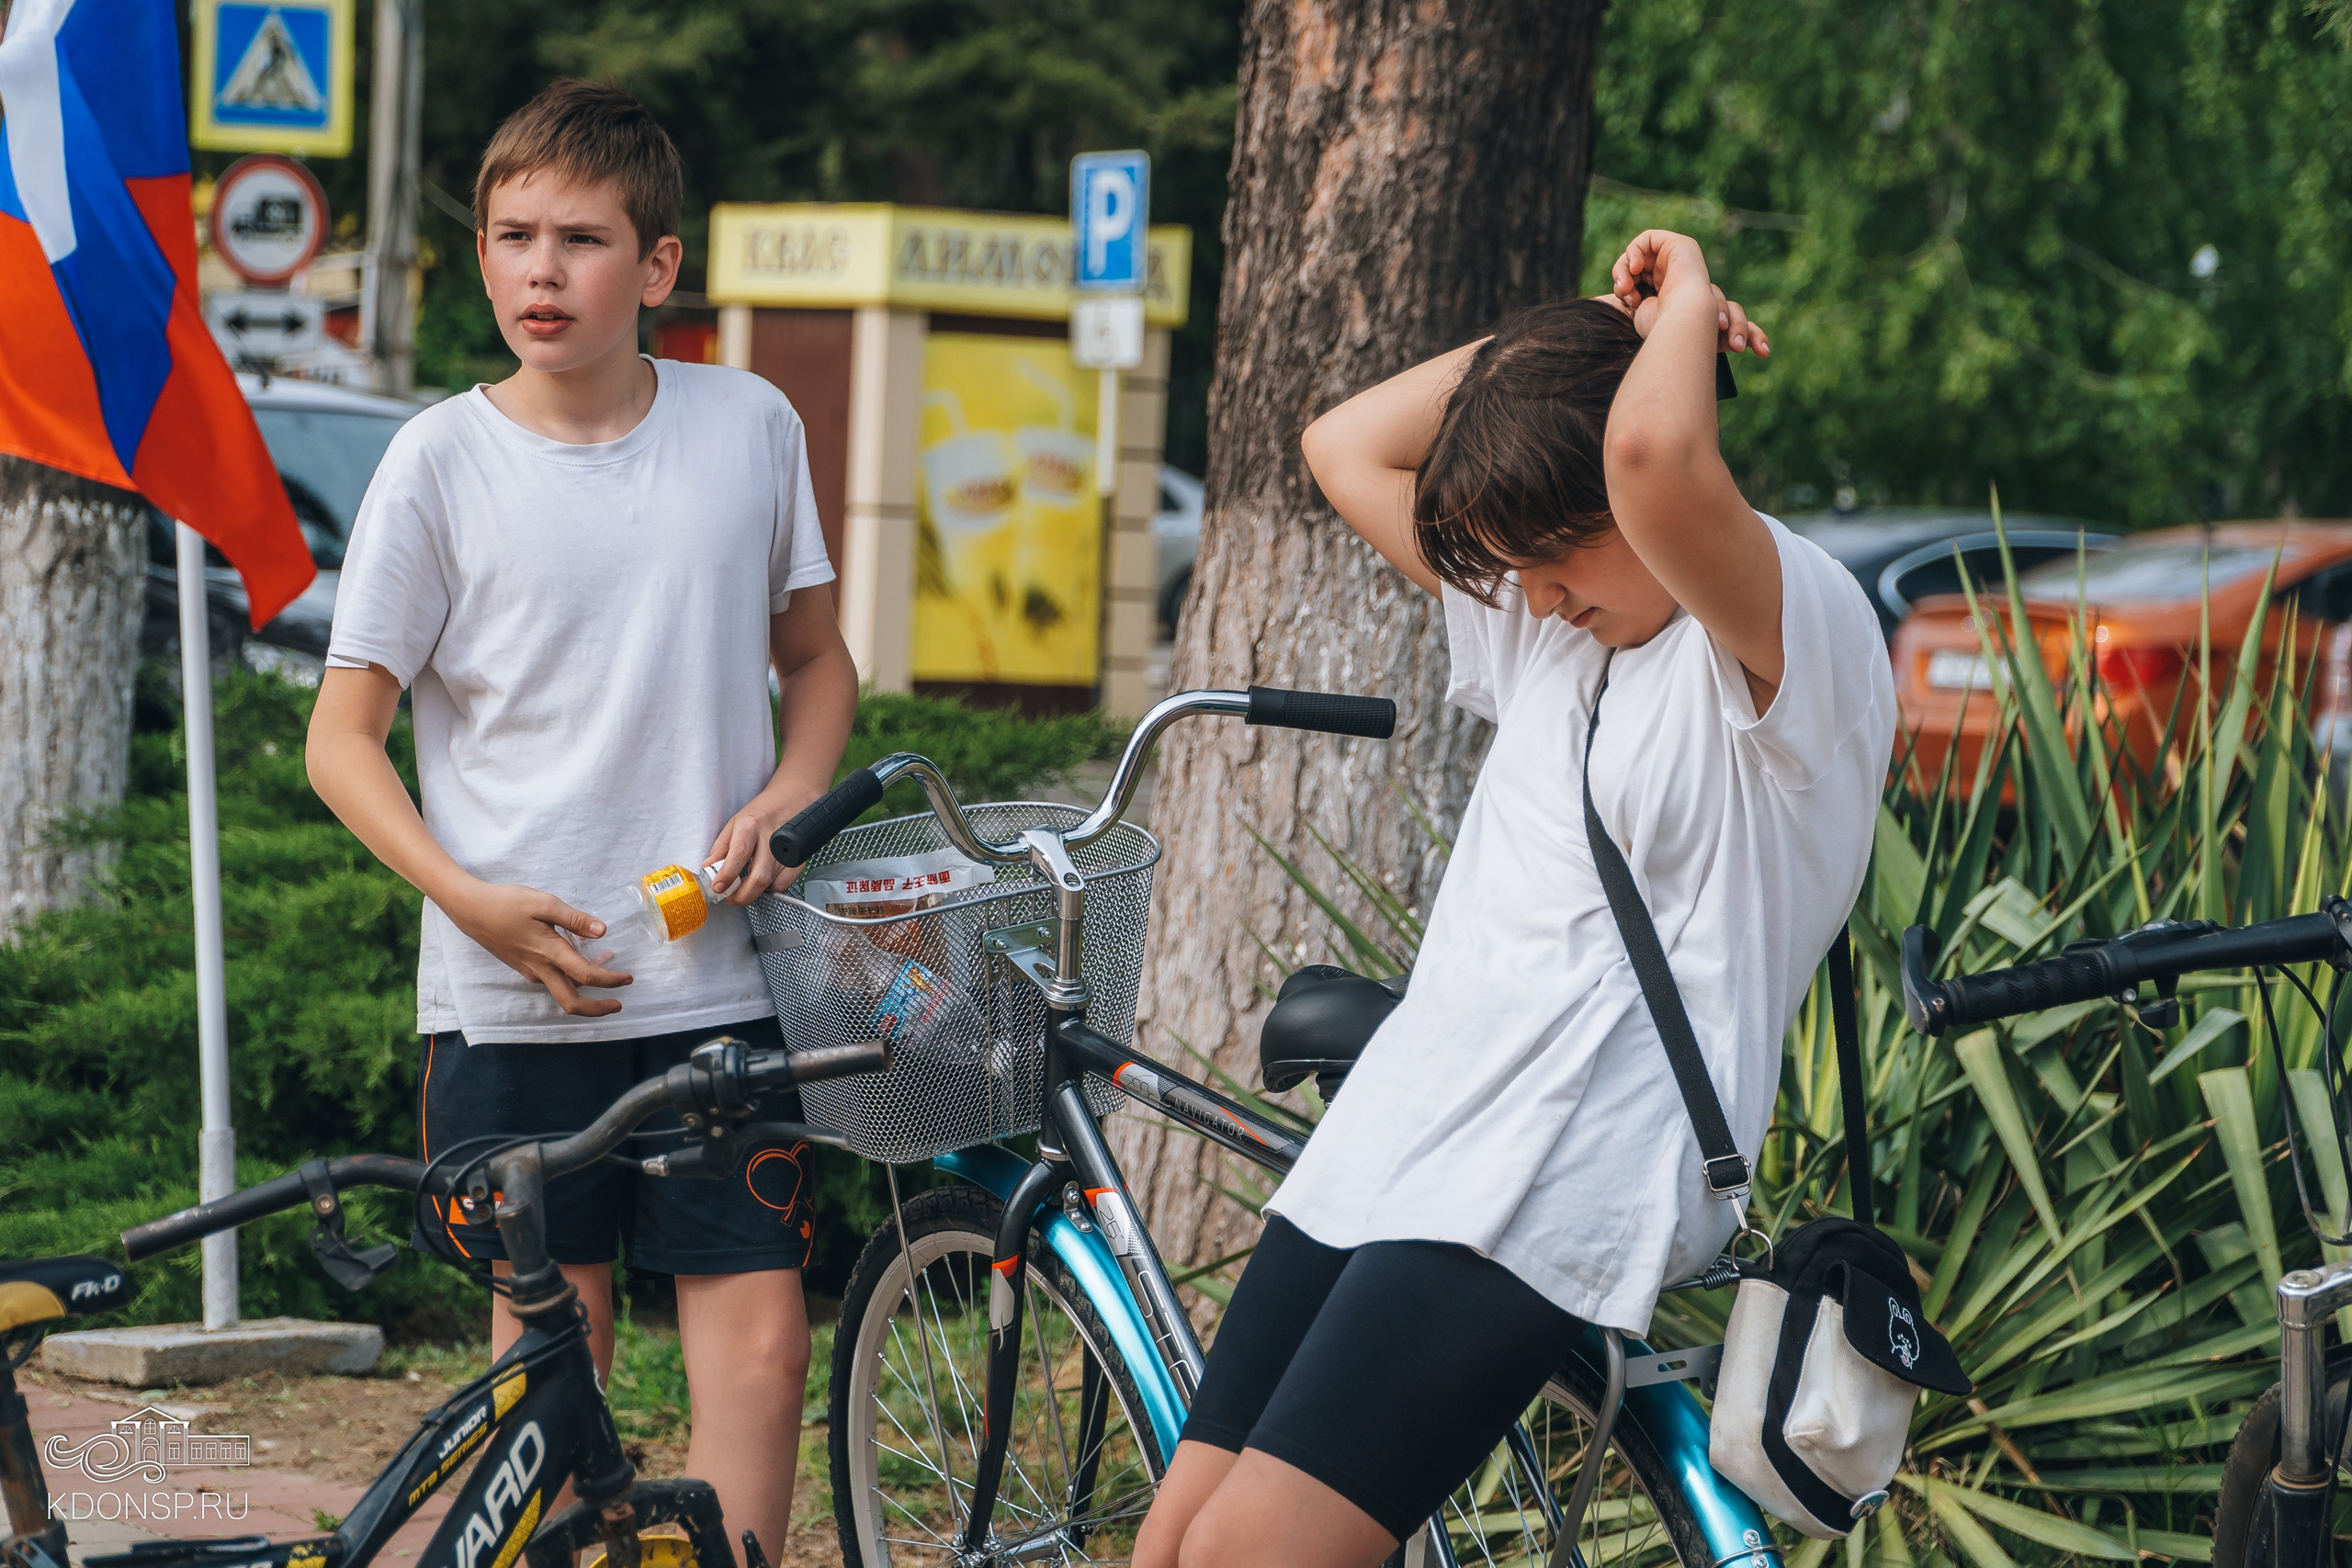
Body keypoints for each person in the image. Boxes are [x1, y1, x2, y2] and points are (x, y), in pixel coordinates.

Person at [1132, 230, 1896, 1568]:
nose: (1530, 595)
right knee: (1178, 1541)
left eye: (1555, 557)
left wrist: (1689, 300)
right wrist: (1585, 332)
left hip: (1562, 1161)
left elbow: (1655, 459)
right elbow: (1346, 445)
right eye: (1515, 569)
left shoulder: (1782, 641)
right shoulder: (1558, 618)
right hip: (1413, 1118)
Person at [305, 79, 856, 1567]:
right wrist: (468, 900)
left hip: (724, 983)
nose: (541, 271)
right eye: (513, 236)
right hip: (510, 997)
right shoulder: (437, 463)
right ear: (480, 256)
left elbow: (817, 662)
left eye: (583, 240)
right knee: (555, 1376)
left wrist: (794, 794)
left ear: (658, 268)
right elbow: (340, 744)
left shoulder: (751, 426)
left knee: (761, 1352)